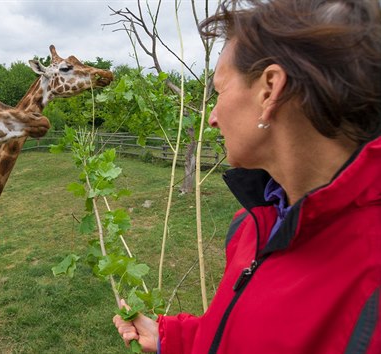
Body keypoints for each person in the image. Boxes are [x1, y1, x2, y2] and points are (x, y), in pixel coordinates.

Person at [113, 0, 381, 353]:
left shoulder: (370, 283)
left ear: (269, 90)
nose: (211, 117)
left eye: (219, 91)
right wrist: (171, 338)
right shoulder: (252, 225)